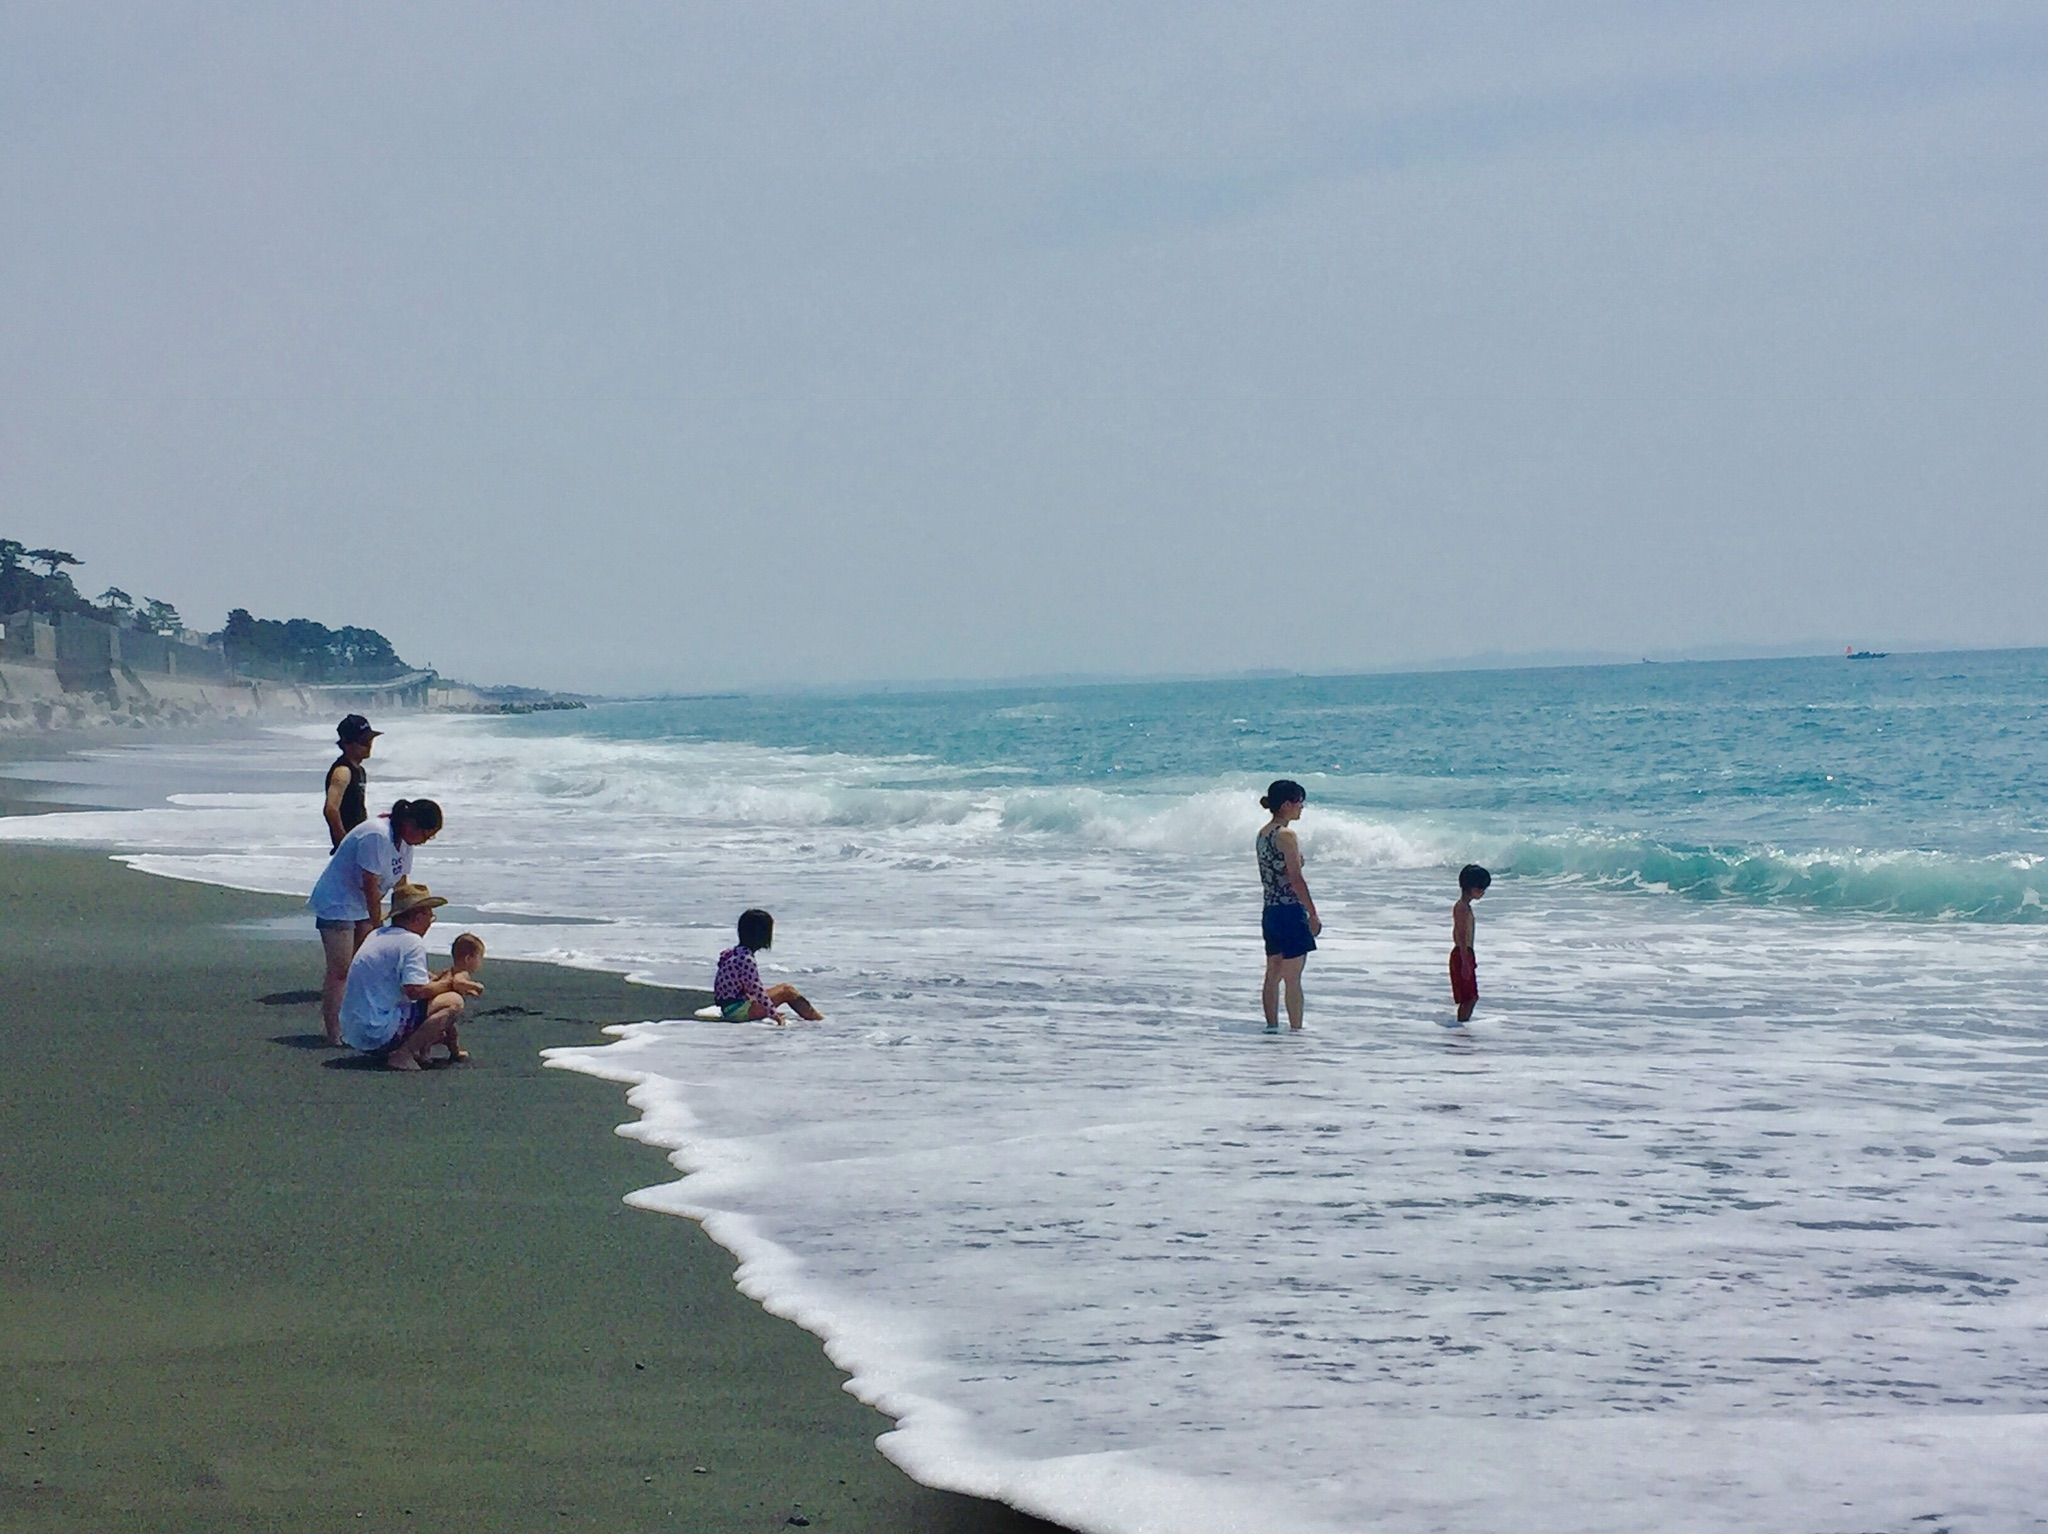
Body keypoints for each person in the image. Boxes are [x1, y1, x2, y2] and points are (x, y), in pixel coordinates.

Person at [308, 797, 444, 1046]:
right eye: (427, 833)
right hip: (338, 901)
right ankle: (334, 1031)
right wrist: (380, 928)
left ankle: (357, 1023)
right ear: (412, 824)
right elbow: (369, 883)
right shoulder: (376, 834)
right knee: (341, 969)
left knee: (364, 965)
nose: (426, 840)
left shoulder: (405, 843)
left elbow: (401, 885)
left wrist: (401, 924)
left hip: (361, 904)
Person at [340, 882, 481, 1071]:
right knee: (453, 1002)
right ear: (418, 917)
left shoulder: (378, 934)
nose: (431, 922)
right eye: (430, 916)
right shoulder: (411, 941)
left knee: (434, 998)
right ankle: (403, 1055)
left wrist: (437, 982)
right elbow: (416, 991)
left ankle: (419, 1049)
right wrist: (451, 984)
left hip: (355, 1030)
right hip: (376, 1032)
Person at [1256, 780, 1321, 1031]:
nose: (1301, 807)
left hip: (1270, 911)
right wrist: (1313, 913)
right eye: (1299, 802)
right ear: (1286, 804)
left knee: (1273, 973)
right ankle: (1296, 1031)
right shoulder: (1286, 835)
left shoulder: (1263, 834)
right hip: (1290, 911)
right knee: (1293, 977)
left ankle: (1272, 1027)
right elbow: (1295, 879)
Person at [713, 908, 823, 1025]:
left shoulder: (733, 953)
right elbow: (757, 991)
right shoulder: (746, 959)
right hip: (739, 1011)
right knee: (787, 991)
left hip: (730, 1007)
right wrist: (774, 1015)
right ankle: (818, 1021)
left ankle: (816, 1019)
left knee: (782, 989)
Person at [428, 932, 486, 1064]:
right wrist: (476, 986)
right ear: (468, 959)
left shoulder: (448, 970)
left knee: (451, 1032)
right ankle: (424, 1052)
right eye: (479, 958)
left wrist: (470, 991)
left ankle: (454, 1051)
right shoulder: (462, 973)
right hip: (443, 1006)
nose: (480, 963)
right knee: (447, 1031)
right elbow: (458, 983)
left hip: (435, 1004)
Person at [323, 714, 380, 850]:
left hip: (359, 841)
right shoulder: (343, 771)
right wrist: (343, 842)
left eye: (370, 740)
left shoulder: (359, 770)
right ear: (347, 744)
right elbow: (331, 809)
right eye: (363, 741)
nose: (369, 745)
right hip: (350, 845)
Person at [1450, 863, 1491, 1025]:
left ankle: (1462, 1025)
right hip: (1461, 953)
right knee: (1469, 997)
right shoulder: (1461, 908)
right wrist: (1465, 961)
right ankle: (1461, 1026)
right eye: (1480, 888)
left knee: (1470, 997)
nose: (1482, 892)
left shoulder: (1465, 907)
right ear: (1468, 887)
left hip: (1465, 953)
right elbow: (1459, 935)